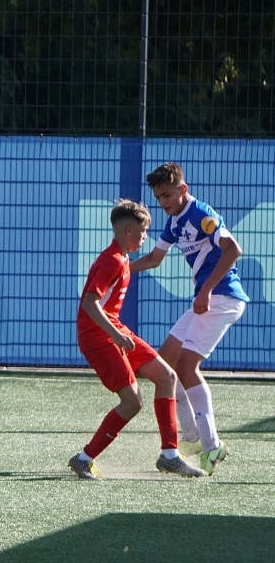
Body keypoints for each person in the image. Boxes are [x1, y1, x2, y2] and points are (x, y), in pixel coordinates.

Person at [68, 199, 206, 480]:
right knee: (132, 402)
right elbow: (90, 304)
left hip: (114, 329)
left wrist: (118, 331)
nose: (146, 237)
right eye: (143, 232)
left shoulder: (121, 259)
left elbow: (150, 262)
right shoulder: (112, 261)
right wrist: (115, 334)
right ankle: (84, 458)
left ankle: (169, 456)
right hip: (98, 336)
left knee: (166, 377)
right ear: (129, 230)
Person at [130, 162, 248, 475]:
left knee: (185, 366)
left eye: (168, 195)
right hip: (207, 299)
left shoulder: (202, 215)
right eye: (159, 198)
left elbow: (233, 250)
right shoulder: (173, 222)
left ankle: (211, 447)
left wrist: (205, 292)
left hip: (222, 298)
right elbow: (155, 259)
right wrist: (121, 269)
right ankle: (192, 435)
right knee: (162, 365)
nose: (164, 202)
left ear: (183, 189)